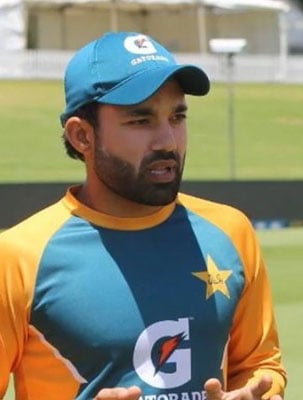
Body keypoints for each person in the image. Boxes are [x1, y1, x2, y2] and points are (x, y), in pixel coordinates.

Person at [0, 31, 286, 400]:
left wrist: (260, 391)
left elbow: (261, 364)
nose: (168, 140)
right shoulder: (18, 257)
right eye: (141, 120)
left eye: (177, 116)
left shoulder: (231, 232)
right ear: (81, 137)